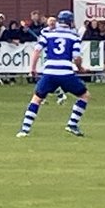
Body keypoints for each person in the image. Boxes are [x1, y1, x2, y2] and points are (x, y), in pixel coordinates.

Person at [17, 10, 89, 138]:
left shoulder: (48, 34)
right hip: (66, 72)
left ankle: (25, 129)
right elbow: (76, 57)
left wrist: (32, 68)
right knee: (84, 96)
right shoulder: (74, 36)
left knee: (37, 99)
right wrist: (81, 68)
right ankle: (72, 124)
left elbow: (37, 51)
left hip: (49, 71)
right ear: (70, 22)